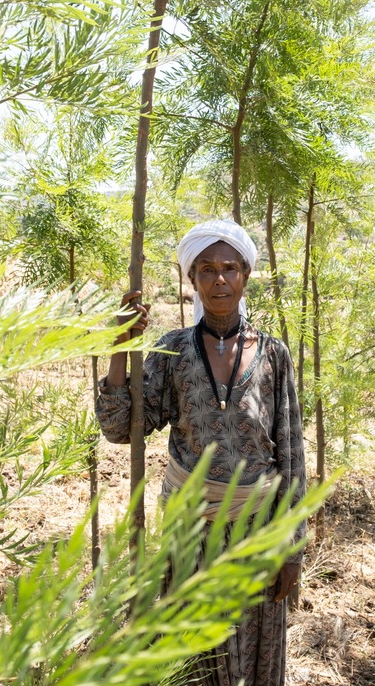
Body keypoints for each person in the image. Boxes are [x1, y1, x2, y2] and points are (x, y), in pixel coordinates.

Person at [96, 218, 307, 686]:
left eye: (229, 268)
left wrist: (293, 550)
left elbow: (291, 453)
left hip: (258, 534)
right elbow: (119, 427)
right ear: (191, 280)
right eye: (206, 269)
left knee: (255, 654)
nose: (218, 279)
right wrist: (119, 349)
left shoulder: (273, 354)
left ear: (245, 277)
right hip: (190, 537)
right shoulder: (172, 351)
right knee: (197, 658)